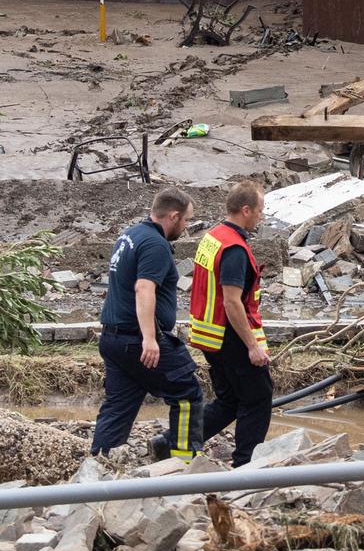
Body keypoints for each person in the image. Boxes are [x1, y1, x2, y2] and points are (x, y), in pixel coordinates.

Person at [88, 188, 202, 460]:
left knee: (119, 405)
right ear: (173, 216)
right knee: (187, 392)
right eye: (186, 220)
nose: (185, 228)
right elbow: (143, 288)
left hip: (113, 338)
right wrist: (150, 339)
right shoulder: (155, 244)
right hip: (137, 339)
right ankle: (186, 462)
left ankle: (98, 465)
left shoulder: (129, 235)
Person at [187, 179, 272, 465]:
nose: (262, 215)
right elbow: (232, 301)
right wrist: (252, 346)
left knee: (230, 400)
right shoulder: (234, 249)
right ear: (246, 210)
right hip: (230, 335)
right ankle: (246, 464)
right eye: (260, 210)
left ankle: (173, 441)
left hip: (209, 334)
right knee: (258, 396)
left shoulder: (213, 237)